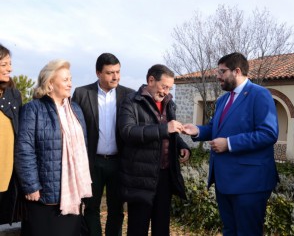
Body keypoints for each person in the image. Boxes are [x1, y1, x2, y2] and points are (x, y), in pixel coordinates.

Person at [182, 52, 279, 235]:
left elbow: (268, 134)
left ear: (237, 71)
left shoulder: (260, 95)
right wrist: (196, 130)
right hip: (224, 181)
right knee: (230, 231)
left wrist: (229, 143)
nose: (217, 76)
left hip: (249, 183)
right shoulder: (222, 100)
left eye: (222, 71)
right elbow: (214, 129)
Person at [15, 59, 92, 236]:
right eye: (65, 79)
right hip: (43, 196)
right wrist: (31, 185)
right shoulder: (33, 109)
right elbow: (24, 149)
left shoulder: (75, 110)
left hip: (72, 194)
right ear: (50, 83)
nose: (70, 83)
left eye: (70, 79)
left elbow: (83, 150)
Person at [118, 64, 191, 236]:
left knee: (161, 227)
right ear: (150, 80)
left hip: (165, 176)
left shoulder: (169, 103)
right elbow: (127, 132)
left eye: (169, 88)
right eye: (164, 86)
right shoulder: (131, 101)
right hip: (140, 177)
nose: (166, 91)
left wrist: (182, 145)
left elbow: (171, 132)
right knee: (138, 228)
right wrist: (165, 129)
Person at [72, 53, 134, 236]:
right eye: (109, 72)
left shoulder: (129, 95)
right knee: (91, 208)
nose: (115, 76)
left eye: (118, 72)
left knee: (117, 210)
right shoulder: (82, 94)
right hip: (92, 162)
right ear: (98, 73)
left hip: (119, 162)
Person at [0, 44, 22, 225]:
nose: (10, 69)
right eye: (4, 64)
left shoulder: (14, 95)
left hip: (7, 179)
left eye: (10, 64)